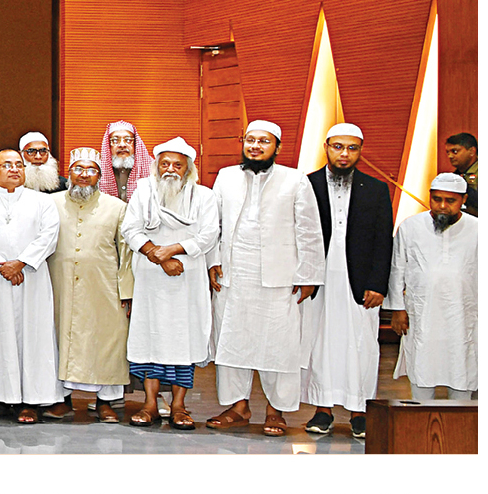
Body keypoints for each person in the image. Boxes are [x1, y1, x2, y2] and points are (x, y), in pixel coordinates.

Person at [206, 120, 324, 437]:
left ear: (277, 147)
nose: (255, 146)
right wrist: (212, 261)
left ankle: (276, 410)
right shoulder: (226, 176)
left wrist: (309, 275)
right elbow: (213, 223)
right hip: (234, 274)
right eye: (251, 140)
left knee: (279, 344)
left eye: (264, 141)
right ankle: (238, 407)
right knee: (232, 341)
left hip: (280, 276)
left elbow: (309, 231)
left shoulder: (295, 179)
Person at [300, 123, 394, 438]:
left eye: (352, 148)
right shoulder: (306, 185)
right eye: (338, 146)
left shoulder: (376, 189)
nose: (344, 154)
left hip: (360, 284)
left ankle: (359, 411)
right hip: (318, 281)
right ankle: (323, 410)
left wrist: (378, 284)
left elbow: (383, 240)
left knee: (361, 346)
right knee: (320, 343)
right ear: (326, 147)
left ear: (360, 151)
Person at [121, 138, 218, 429]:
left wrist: (173, 250)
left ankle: (179, 406)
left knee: (183, 340)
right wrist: (157, 254)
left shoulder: (204, 196)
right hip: (150, 277)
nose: (170, 169)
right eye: (165, 163)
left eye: (177, 164)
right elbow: (130, 229)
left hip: (188, 278)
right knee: (150, 338)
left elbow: (209, 235)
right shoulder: (143, 191)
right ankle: (149, 404)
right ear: (156, 166)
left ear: (188, 169)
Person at [0, 149, 62, 422]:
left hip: (31, 278)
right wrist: (1, 266)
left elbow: (48, 237)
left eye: (19, 165)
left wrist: (21, 263)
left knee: (33, 338)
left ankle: (30, 402)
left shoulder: (42, 202)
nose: (14, 169)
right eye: (7, 165)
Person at [44, 147, 132, 422]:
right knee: (58, 339)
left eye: (91, 170)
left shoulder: (117, 207)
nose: (84, 175)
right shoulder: (50, 204)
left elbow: (125, 252)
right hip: (58, 283)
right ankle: (61, 400)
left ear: (100, 175)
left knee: (107, 341)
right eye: (78, 169)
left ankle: (105, 402)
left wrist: (127, 292)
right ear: (68, 173)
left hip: (104, 287)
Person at [387, 174, 477, 400]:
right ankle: (421, 416)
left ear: (463, 199)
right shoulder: (410, 227)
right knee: (422, 366)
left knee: (463, 367)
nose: (442, 206)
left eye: (450, 200)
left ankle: (459, 421)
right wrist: (397, 309)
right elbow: (397, 269)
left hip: (464, 315)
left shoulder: (478, 229)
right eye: (437, 199)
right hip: (422, 313)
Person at [98, 121, 149, 202]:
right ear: (108, 145)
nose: (122, 145)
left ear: (135, 144)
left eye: (128, 140)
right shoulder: (97, 170)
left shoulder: (151, 168)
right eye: (115, 140)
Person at [444, 132, 476, 215]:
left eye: (454, 151)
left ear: (472, 151)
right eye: (448, 152)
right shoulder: (455, 176)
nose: (450, 156)